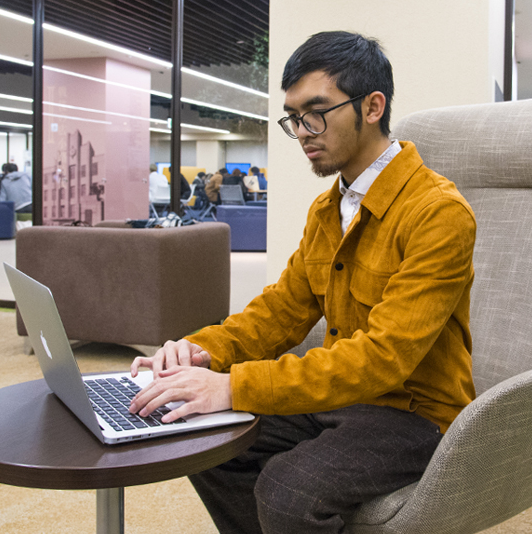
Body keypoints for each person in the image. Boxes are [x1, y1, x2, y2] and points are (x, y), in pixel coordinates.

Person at [128, 31, 477, 534]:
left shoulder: (439, 213)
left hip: (415, 414)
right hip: (341, 398)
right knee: (202, 441)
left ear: (373, 106)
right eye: (294, 118)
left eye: (316, 112)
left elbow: (383, 358)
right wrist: (199, 351)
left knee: (288, 490)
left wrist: (233, 386)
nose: (303, 131)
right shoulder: (328, 209)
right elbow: (279, 312)